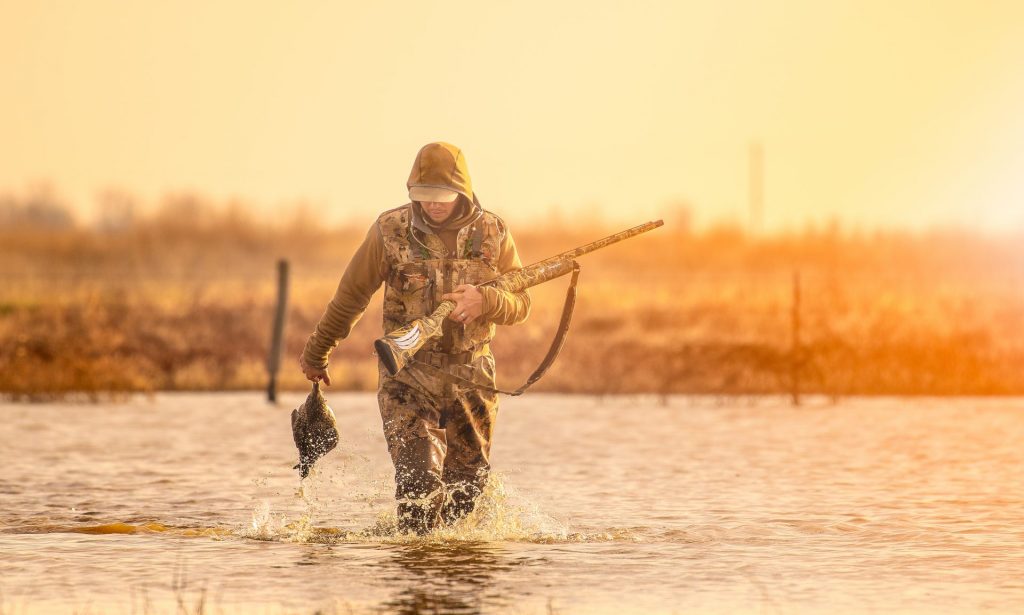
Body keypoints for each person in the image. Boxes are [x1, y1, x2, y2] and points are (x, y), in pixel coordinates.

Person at [299, 142, 531, 535]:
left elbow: (522, 304)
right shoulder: (390, 230)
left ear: (461, 190)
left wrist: (486, 300)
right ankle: (413, 579)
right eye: (422, 196)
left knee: (465, 493)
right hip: (407, 376)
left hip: (471, 378)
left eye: (441, 196)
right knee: (418, 484)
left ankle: (453, 583)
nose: (432, 205)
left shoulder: (494, 232)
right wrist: (317, 352)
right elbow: (351, 295)